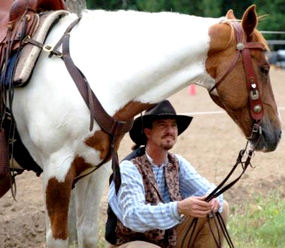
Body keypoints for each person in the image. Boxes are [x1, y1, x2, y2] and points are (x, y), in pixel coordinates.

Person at [106, 100, 229, 248]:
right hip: (132, 242)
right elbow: (133, 215)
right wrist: (178, 208)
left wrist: (213, 198)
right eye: (163, 125)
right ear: (148, 132)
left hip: (169, 239)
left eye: (174, 125)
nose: (170, 130)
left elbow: (210, 191)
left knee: (220, 208)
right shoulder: (130, 168)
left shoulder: (177, 163)